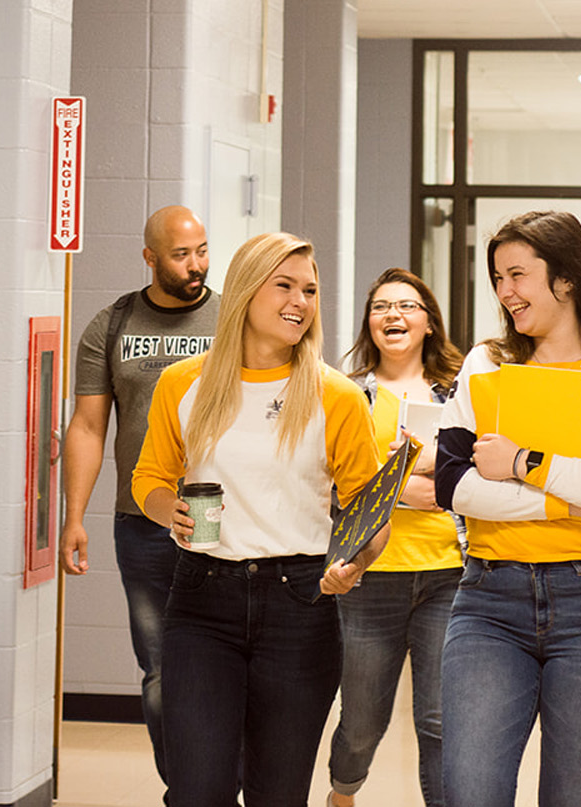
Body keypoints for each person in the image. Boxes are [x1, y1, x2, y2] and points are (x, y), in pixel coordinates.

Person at [131, 232, 390, 807]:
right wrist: (164, 509)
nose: (300, 301)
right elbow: (148, 478)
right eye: (285, 286)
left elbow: (371, 516)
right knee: (199, 790)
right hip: (202, 600)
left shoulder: (336, 396)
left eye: (311, 290)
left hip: (299, 605)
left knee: (278, 794)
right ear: (247, 290)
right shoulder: (183, 383)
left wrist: (355, 563)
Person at [434, 209, 581, 807]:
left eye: (518, 275)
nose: (505, 293)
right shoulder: (485, 365)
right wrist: (572, 504)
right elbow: (452, 485)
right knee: (470, 793)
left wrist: (523, 463)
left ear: (566, 278)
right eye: (497, 279)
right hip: (489, 601)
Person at [60, 205, 217, 787]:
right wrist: (74, 517)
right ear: (150, 257)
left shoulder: (233, 318)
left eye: (202, 250)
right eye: (181, 254)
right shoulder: (113, 324)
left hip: (218, 517)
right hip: (143, 523)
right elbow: (87, 427)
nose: (196, 264)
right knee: (160, 671)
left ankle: (226, 786)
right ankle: (185, 790)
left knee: (225, 666)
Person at [326, 269, 463, 807]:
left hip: (449, 573)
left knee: (439, 721)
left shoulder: (460, 392)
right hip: (369, 577)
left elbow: (485, 468)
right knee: (361, 722)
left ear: (428, 321)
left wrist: (441, 483)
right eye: (381, 307)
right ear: (369, 322)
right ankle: (343, 793)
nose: (393, 316)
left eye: (406, 306)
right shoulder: (348, 391)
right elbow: (336, 480)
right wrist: (406, 489)